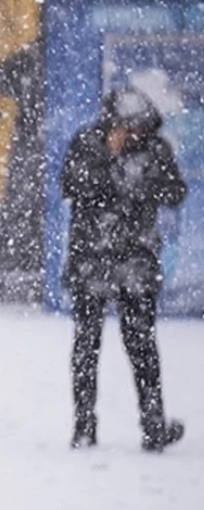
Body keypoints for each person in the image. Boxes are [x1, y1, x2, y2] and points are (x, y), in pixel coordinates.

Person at [60, 86, 187, 452]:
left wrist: (142, 183)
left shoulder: (155, 149)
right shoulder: (87, 144)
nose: (134, 134)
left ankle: (153, 426)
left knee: (142, 346)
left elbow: (175, 192)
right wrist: (109, 160)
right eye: (129, 127)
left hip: (136, 261)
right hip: (92, 261)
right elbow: (71, 185)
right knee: (86, 346)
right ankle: (84, 426)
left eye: (140, 128)